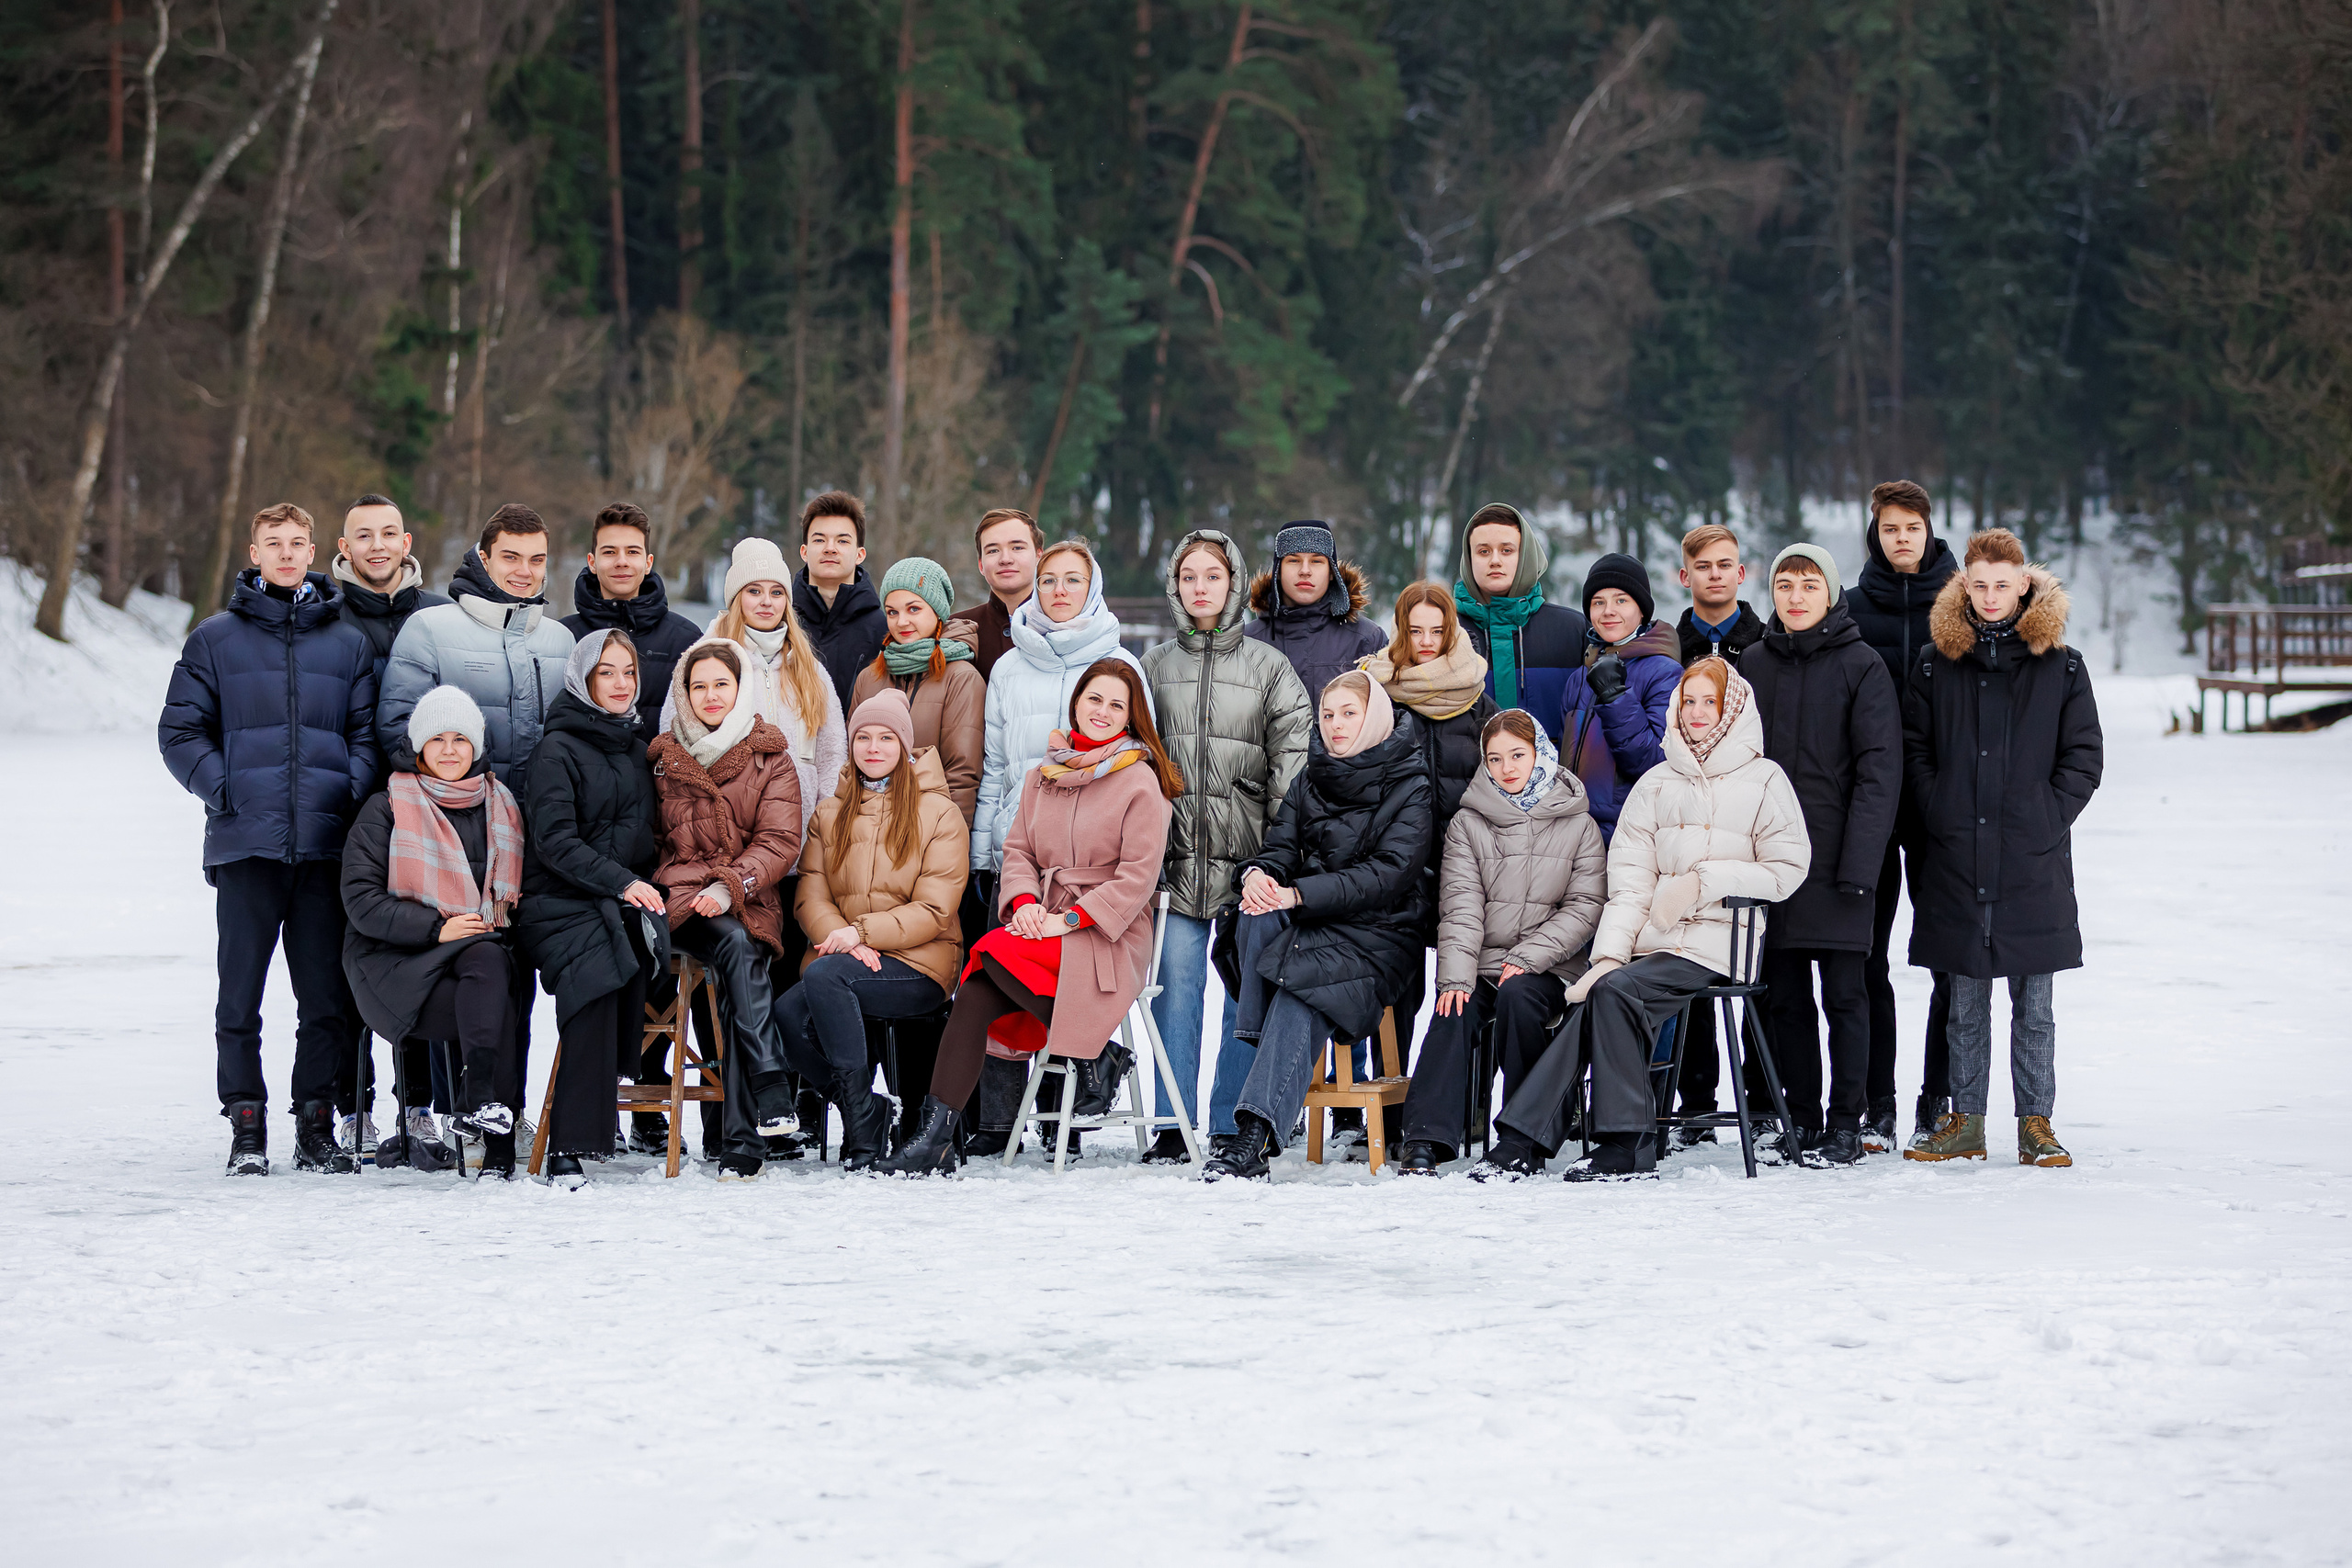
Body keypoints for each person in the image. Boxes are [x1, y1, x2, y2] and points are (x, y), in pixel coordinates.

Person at [1476, 659, 1807, 1181]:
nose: (1696, 713)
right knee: (1604, 991)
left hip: (1718, 945)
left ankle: (1625, 1144)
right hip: (1652, 948)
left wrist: (1704, 881)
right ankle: (1525, 1142)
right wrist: (1607, 956)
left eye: (1709, 702)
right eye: (1688, 701)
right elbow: (1629, 887)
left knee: (1617, 993)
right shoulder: (1655, 783)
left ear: (1732, 707)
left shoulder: (1764, 779)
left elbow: (1787, 870)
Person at [876, 660, 1179, 1175]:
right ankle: (938, 1139)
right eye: (1094, 700)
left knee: (988, 950)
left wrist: (1072, 919)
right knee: (973, 994)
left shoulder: (1141, 782)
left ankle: (1092, 1055)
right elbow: (1017, 851)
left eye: (1115, 705)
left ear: (1130, 718)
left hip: (1107, 934)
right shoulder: (1043, 775)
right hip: (1040, 921)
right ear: (1076, 704)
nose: (1101, 712)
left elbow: (1137, 878)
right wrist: (1025, 904)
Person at [160, 502, 379, 1176]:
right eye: (272, 543)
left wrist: (345, 787)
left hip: (323, 848)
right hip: (245, 847)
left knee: (323, 998)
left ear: (314, 549)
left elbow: (367, 735)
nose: (286, 553)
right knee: (240, 995)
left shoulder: (346, 642)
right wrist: (225, 790)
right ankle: (245, 1123)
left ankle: (315, 1123)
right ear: (254, 552)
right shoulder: (214, 639)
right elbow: (178, 732)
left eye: (296, 542)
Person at [1901, 529, 2102, 1169]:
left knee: (2034, 1003)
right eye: (1979, 584)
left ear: (2024, 583)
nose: (1990, 596)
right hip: (1958, 852)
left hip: (2031, 855)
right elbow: (1914, 750)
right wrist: (1941, 808)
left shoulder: (2062, 665)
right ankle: (1966, 1120)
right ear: (1965, 584)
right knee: (1965, 1000)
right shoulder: (1936, 662)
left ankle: (2036, 1123)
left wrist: (2043, 818)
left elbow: (2084, 757)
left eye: (2001, 584)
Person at [1203, 671, 1435, 1181]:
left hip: (1381, 935)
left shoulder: (1410, 782)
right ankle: (1257, 1130)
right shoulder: (1312, 777)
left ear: (1373, 717)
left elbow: (1389, 875)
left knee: (1299, 989)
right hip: (1316, 927)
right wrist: (1260, 875)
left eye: (1349, 714)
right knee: (1252, 912)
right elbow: (1281, 848)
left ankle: (1252, 1136)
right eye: (1327, 715)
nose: (1335, 726)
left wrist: (1301, 894)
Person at [1138, 529, 1312, 1158]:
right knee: (1176, 986)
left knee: (1246, 991)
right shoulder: (1153, 666)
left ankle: (1231, 1120)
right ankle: (1171, 1123)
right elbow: (1136, 760)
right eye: (1190, 577)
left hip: (1249, 864)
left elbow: (1291, 769)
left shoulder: (1269, 667)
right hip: (1178, 857)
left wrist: (1272, 860)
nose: (1202, 587)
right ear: (1176, 586)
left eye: (1213, 575)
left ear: (1234, 583)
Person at [1735, 544, 1901, 1167]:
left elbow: (1879, 774)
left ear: (1831, 593)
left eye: (1808, 584)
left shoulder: (1863, 666)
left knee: (1844, 995)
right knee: (1785, 999)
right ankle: (1799, 1118)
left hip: (1841, 862)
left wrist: (1861, 866)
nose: (1796, 595)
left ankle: (1845, 1122)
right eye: (1785, 584)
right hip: (1771, 862)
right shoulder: (1752, 664)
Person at [1396, 709, 1605, 1174]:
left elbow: (1586, 905)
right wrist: (1455, 979)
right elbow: (1461, 907)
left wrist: (1531, 956)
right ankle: (1426, 1138)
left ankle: (1521, 1136)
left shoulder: (1578, 823)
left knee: (1520, 997)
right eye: (1495, 759)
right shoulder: (1468, 824)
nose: (1507, 768)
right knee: (1453, 1007)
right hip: (1484, 962)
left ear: (1540, 755)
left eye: (1518, 755)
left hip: (1552, 966)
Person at [338, 685, 526, 1178]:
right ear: (419, 747)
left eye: (460, 740)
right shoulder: (387, 806)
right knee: (494, 992)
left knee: (490, 966)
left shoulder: (500, 807)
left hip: (475, 955)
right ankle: (492, 1134)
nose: (449, 750)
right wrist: (437, 928)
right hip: (393, 961)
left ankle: (479, 1107)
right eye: (437, 739)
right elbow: (361, 903)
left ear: (477, 747)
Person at [785, 689, 972, 1170]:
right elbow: (812, 892)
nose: (873, 747)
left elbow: (935, 908)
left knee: (825, 978)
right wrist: (840, 939)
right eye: (863, 737)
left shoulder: (938, 813)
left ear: (905, 747)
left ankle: (863, 1132)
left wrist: (861, 935)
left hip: (919, 965)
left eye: (886, 738)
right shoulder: (831, 813)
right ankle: (865, 1112)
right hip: (843, 957)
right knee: (785, 1014)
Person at [645, 637, 806, 1179]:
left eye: (722, 684)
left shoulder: (770, 756)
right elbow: (649, 840)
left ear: (741, 690)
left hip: (747, 897)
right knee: (736, 954)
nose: (710, 696)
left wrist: (732, 885)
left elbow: (781, 841)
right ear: (683, 694)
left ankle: (741, 1138)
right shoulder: (665, 759)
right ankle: (770, 1088)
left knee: (741, 950)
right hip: (679, 902)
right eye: (699, 686)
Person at [514, 630, 664, 1184]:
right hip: (556, 897)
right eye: (607, 672)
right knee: (595, 968)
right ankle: (571, 1142)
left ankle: (608, 1108)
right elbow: (554, 842)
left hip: (614, 893)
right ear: (582, 679)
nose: (621, 684)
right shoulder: (556, 748)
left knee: (634, 948)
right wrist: (622, 883)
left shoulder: (636, 746)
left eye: (628, 672)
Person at [1849, 479, 1961, 1148]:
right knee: (1866, 958)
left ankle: (1937, 1096)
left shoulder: (1962, 604)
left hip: (1942, 811)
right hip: (1875, 808)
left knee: (1947, 958)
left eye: (1911, 527)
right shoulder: (1853, 606)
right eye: (1890, 528)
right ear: (1877, 533)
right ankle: (1876, 1102)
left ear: (1928, 529)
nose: (1901, 538)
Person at [972, 537, 1148, 877]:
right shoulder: (1008, 667)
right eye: (1048, 580)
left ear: (1092, 587)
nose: (1059, 591)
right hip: (1016, 856)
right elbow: (995, 768)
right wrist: (980, 858)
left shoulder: (1121, 665)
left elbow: (1143, 760)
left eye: (1072, 580)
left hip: (1094, 863)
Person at [378, 503, 575, 784]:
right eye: (511, 557)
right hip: (459, 816)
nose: (524, 571)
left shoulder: (563, 642)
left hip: (542, 820)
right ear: (484, 559)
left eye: (536, 560)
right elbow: (401, 733)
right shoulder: (429, 631)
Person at [850, 556, 985, 827]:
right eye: (892, 612)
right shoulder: (869, 677)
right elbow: (851, 762)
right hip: (867, 830)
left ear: (936, 611)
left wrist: (948, 840)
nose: (901, 622)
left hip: (928, 829)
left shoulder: (960, 678)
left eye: (913, 609)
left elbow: (962, 773)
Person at [1557, 552, 1683, 841]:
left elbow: (1656, 763)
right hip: (1576, 831)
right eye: (1598, 602)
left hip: (1631, 833)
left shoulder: (1666, 672)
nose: (1608, 611)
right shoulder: (1579, 677)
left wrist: (1615, 697)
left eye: (1621, 600)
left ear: (1642, 609)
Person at [1362, 581, 1498, 833]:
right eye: (1415, 631)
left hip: (1466, 848)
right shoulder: (1378, 697)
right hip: (1396, 848)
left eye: (1437, 631)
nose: (1427, 641)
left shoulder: (1478, 703)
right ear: (1401, 631)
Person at [561, 500, 705, 737]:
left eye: (632, 552)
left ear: (648, 563)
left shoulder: (686, 639)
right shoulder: (565, 636)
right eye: (609, 552)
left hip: (661, 773)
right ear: (592, 562)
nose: (621, 561)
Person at [1451, 502, 1590, 741]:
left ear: (1525, 556)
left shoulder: (1572, 630)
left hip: (1558, 777)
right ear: (1468, 558)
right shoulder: (1443, 631)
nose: (1495, 560)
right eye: (1483, 551)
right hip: (1466, 778)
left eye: (1507, 550)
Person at [1242, 520, 1387, 703]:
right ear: (1278, 571)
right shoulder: (1247, 642)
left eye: (1316, 561)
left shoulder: (1366, 639)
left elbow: (1390, 717)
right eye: (1293, 560)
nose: (1305, 570)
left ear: (1332, 571)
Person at [332, 494, 449, 718]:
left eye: (389, 534)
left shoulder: (443, 616)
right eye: (364, 536)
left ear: (405, 544)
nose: (378, 545)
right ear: (346, 548)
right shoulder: (325, 619)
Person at [794, 491, 888, 716]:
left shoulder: (883, 631)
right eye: (819, 539)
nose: (830, 548)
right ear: (804, 552)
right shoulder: (781, 622)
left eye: (842, 540)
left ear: (860, 554)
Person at [954, 506, 1041, 680]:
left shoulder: (1064, 627)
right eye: (993, 550)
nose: (1005, 559)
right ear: (981, 565)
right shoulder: (957, 631)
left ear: (1039, 556)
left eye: (1017, 547)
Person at [1675, 523, 1765, 665]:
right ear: (1685, 577)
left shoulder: (1768, 644)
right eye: (1703, 567)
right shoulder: (1670, 652)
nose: (1715, 575)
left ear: (1740, 574)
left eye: (1724, 565)